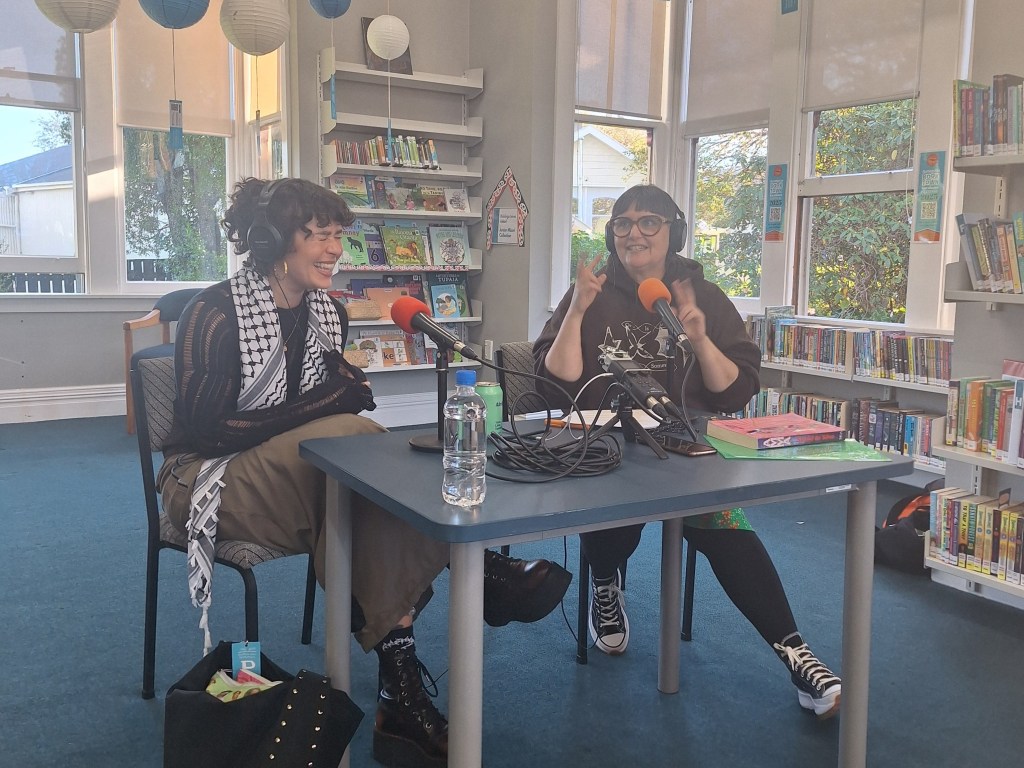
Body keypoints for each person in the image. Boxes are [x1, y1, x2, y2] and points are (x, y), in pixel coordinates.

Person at [158, 176, 573, 767]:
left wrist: (328, 407)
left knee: (351, 484)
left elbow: (313, 418)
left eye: (339, 236)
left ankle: (397, 693)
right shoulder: (215, 313)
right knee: (349, 447)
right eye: (319, 235)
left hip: (294, 473)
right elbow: (208, 432)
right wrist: (328, 403)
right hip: (205, 478)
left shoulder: (329, 313)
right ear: (275, 239)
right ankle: (468, 571)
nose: (335, 250)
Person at [532, 183, 842, 720]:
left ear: (672, 229)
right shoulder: (591, 289)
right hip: (609, 444)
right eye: (622, 222)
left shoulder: (701, 295)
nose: (633, 233)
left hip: (685, 450)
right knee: (614, 514)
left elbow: (735, 390)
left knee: (726, 526)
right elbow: (552, 384)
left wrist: (700, 341)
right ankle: (607, 583)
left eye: (648, 221)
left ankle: (796, 652)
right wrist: (578, 313)